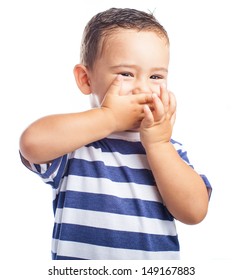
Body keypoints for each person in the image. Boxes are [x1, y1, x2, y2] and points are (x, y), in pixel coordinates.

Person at [19, 7, 212, 260]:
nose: (143, 87)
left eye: (155, 76)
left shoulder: (169, 149)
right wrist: (109, 117)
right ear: (86, 80)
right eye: (126, 74)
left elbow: (195, 212)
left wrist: (158, 145)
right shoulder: (75, 145)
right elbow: (31, 143)